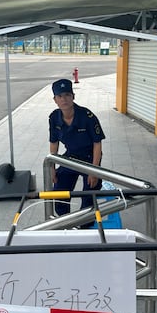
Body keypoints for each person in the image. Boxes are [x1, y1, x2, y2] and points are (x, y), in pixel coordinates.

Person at [48, 78, 105, 224]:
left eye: (67, 94)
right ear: (55, 100)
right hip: (71, 157)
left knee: (89, 194)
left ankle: (86, 226)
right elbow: (54, 143)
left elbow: (97, 143)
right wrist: (52, 168)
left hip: (89, 158)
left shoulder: (87, 116)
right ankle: (64, 223)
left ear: (73, 96)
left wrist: (94, 170)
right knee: (59, 190)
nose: (64, 99)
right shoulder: (54, 117)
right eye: (60, 96)